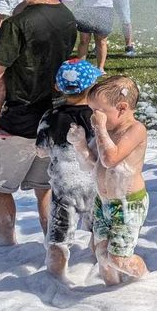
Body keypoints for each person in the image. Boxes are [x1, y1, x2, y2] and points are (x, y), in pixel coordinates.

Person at [0, 0, 78, 246]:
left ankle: (7, 246)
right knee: (43, 187)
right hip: (55, 116)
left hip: (16, 118)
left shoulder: (16, 24)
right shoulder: (67, 16)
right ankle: (53, 248)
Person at [67, 75, 149, 285]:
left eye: (98, 112)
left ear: (121, 108)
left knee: (119, 259)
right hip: (103, 202)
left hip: (128, 204)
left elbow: (111, 159)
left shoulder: (135, 130)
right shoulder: (106, 132)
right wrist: (80, 146)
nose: (94, 117)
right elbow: (92, 165)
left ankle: (146, 281)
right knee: (101, 253)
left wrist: (101, 130)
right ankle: (111, 293)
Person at [35, 58, 103, 280]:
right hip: (95, 184)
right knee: (100, 234)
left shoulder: (50, 117)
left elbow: (42, 151)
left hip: (64, 188)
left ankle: (55, 283)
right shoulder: (98, 117)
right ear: (92, 86)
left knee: (58, 240)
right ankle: (103, 275)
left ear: (57, 87)